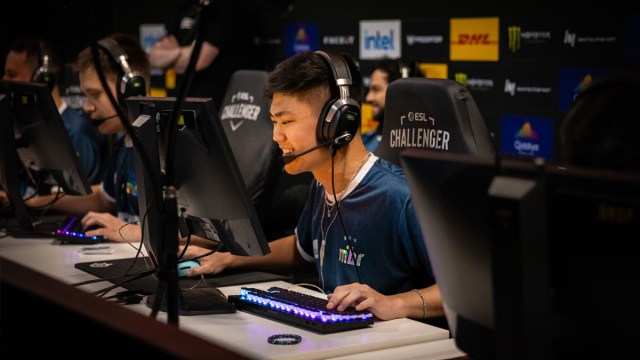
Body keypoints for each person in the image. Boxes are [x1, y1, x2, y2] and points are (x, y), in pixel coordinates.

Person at [182, 50, 444, 323]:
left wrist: (394, 303)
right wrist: (231, 259)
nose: (276, 136)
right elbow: (302, 248)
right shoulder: (321, 186)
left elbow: (468, 289)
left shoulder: (401, 197)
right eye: (273, 122)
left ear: (337, 121)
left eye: (286, 121)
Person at [8, 33, 151, 243]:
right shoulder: (124, 144)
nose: (87, 107)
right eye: (85, 96)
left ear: (130, 88)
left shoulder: (170, 147)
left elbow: (212, 233)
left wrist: (138, 232)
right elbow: (103, 199)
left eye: (95, 94)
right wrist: (31, 203)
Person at [3, 37, 105, 185]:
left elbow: (85, 198)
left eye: (12, 74)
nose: (4, 80)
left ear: (42, 80)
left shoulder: (76, 132)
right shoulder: (25, 126)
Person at [148, 0, 261, 110]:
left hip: (216, 104)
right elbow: (153, 57)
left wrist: (173, 56)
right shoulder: (187, 7)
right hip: (180, 102)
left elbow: (198, 62)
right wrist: (181, 52)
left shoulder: (227, 8)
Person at [362, 58, 413, 153]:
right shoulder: (362, 143)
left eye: (376, 89)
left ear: (399, 93)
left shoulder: (419, 147)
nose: (368, 98)